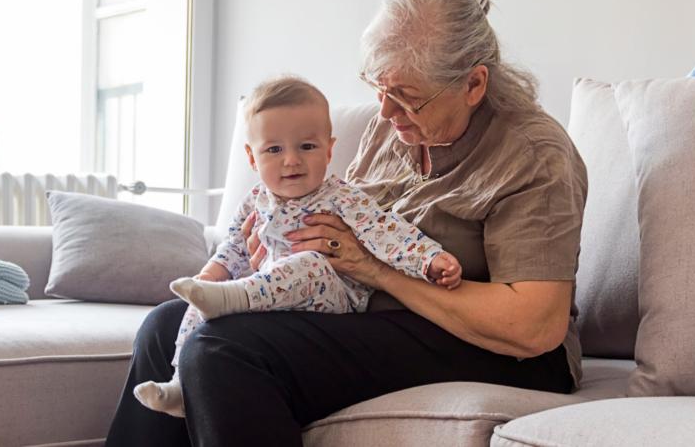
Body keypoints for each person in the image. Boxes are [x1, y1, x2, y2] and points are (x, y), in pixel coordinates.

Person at [106, 0, 587, 447]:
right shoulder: (393, 128)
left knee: (221, 351)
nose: (384, 111)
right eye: (377, 86)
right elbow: (340, 228)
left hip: (501, 351)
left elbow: (534, 325)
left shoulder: (531, 154)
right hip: (370, 315)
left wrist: (375, 271)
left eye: (405, 97)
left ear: (473, 85)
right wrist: (276, 259)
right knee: (165, 327)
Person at [131, 76, 463, 418]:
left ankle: (235, 298)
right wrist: (211, 274)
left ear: (329, 149)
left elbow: (388, 232)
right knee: (198, 297)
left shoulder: (341, 197)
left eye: (307, 147)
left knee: (309, 263)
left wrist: (430, 259)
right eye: (274, 150)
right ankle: (177, 384)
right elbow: (233, 248)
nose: (291, 160)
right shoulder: (254, 201)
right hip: (270, 300)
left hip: (330, 300)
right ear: (251, 157)